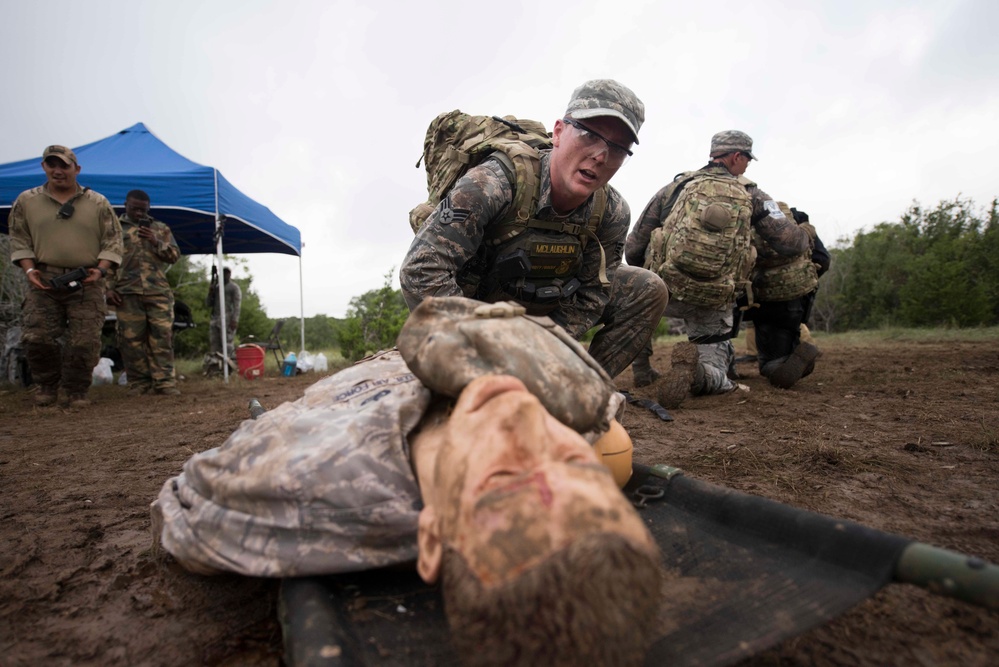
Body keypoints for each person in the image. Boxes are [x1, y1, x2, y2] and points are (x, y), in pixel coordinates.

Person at [153, 296, 663, 666]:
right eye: (575, 463)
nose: (524, 419)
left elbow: (182, 513)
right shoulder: (580, 407)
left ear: (430, 538)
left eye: (505, 475)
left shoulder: (303, 477)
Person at [400, 79, 668, 380]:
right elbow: (421, 269)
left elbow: (593, 293)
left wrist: (544, 353)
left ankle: (582, 388)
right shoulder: (491, 183)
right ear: (558, 132)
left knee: (648, 288)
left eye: (618, 148)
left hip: (544, 311)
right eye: (589, 134)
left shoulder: (613, 212)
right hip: (477, 312)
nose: (601, 156)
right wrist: (480, 351)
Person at [626, 130, 810, 407]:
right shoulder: (753, 194)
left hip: (668, 291)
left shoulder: (674, 188)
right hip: (714, 300)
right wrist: (806, 233)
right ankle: (699, 374)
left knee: (641, 308)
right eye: (747, 159)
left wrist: (654, 275)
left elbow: (634, 245)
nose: (747, 165)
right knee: (718, 373)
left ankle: (642, 371)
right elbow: (790, 243)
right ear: (736, 156)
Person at [7, 145, 123, 408]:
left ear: (76, 169)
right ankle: (47, 386)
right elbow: (19, 238)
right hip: (43, 278)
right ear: (44, 167)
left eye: (64, 165)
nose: (57, 171)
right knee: (37, 337)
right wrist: (28, 269)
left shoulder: (98, 202)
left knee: (84, 340)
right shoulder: (27, 201)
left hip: (87, 280)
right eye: (51, 165)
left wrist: (101, 269)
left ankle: (76, 389)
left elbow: (113, 241)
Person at [105, 190, 182, 396]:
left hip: (157, 292)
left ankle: (164, 382)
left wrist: (156, 241)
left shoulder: (159, 228)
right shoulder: (114, 230)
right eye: (134, 208)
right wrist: (108, 288)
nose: (139, 213)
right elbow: (106, 260)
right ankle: (139, 383)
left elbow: (174, 256)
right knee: (130, 341)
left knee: (162, 337)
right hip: (126, 293)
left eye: (143, 209)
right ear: (125, 205)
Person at [749, 206, 830, 388]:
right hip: (795, 297)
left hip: (761, 298)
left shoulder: (749, 225)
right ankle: (796, 357)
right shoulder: (800, 228)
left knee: (768, 360)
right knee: (788, 334)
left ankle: (781, 365)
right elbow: (823, 259)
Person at [204, 266, 241, 373]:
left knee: (228, 344)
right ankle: (216, 367)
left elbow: (237, 305)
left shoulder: (234, 287)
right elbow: (208, 303)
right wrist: (210, 292)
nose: (225, 276)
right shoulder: (216, 287)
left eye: (227, 273)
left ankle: (231, 367)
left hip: (228, 319)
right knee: (214, 345)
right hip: (215, 318)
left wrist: (235, 319)